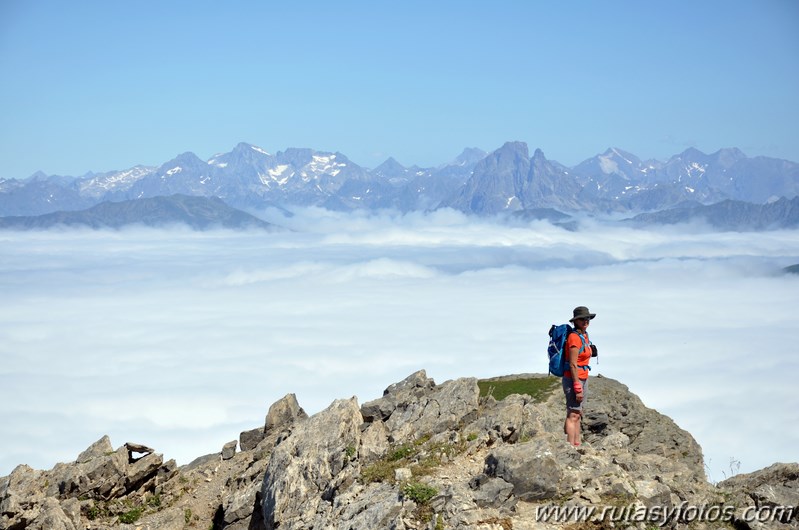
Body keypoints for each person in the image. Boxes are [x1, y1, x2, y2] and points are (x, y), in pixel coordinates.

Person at [563, 306, 595, 446]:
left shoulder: (584, 335)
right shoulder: (574, 337)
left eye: (587, 318)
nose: (585, 321)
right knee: (573, 414)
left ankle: (577, 444)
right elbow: (572, 364)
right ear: (575, 321)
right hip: (573, 378)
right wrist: (576, 385)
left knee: (578, 413)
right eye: (582, 319)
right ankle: (570, 447)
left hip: (583, 377)